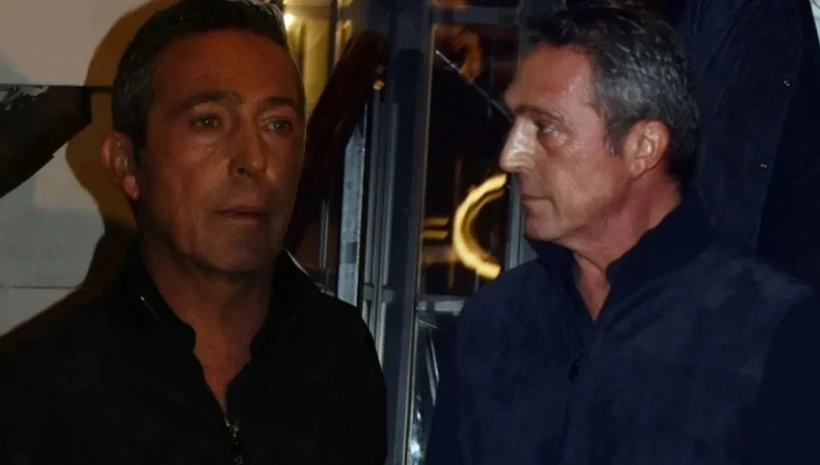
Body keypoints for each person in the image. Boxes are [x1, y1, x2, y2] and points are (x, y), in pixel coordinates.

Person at [425, 5, 820, 465]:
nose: (511, 156)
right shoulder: (492, 324)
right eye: (515, 124)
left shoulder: (772, 329)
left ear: (643, 148)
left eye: (545, 128)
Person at [0, 1, 386, 464]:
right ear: (126, 164)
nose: (254, 160)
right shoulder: (40, 392)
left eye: (278, 125)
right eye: (208, 121)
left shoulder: (341, 357)